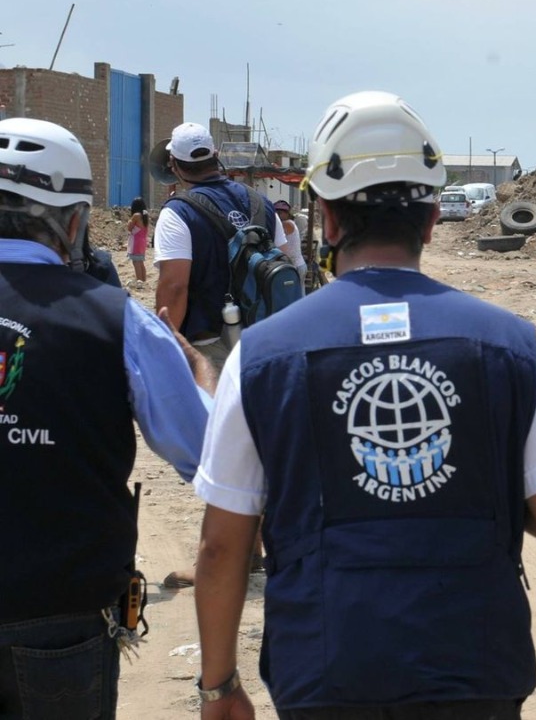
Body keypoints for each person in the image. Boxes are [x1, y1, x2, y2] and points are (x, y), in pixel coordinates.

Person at [192, 91, 536, 719]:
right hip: (474, 667)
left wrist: (218, 686)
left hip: (326, 668)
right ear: (432, 218)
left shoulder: (262, 355)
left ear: (325, 217)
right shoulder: (508, 343)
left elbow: (222, 546)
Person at [0, 117, 214, 719]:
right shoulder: (115, 318)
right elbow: (207, 453)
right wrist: (199, 369)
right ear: (74, 222)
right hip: (62, 613)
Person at [154, 121, 285, 589]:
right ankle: (259, 550)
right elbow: (289, 266)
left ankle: (228, 556)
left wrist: (166, 342)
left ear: (174, 164)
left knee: (222, 446)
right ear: (216, 158)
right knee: (264, 440)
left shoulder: (178, 212)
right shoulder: (259, 202)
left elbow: (174, 285)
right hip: (265, 336)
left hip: (210, 342)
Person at [273, 199, 307, 276]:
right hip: (295, 265)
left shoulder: (287, 224)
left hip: (296, 266)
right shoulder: (288, 223)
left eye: (280, 213)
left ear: (287, 214)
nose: (278, 216)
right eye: (276, 213)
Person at [127, 196, 149, 288]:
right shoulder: (145, 215)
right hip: (143, 241)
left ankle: (139, 281)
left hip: (136, 241)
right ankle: (143, 280)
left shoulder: (136, 215)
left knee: (136, 262)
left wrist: (129, 221)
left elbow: (129, 227)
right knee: (140, 262)